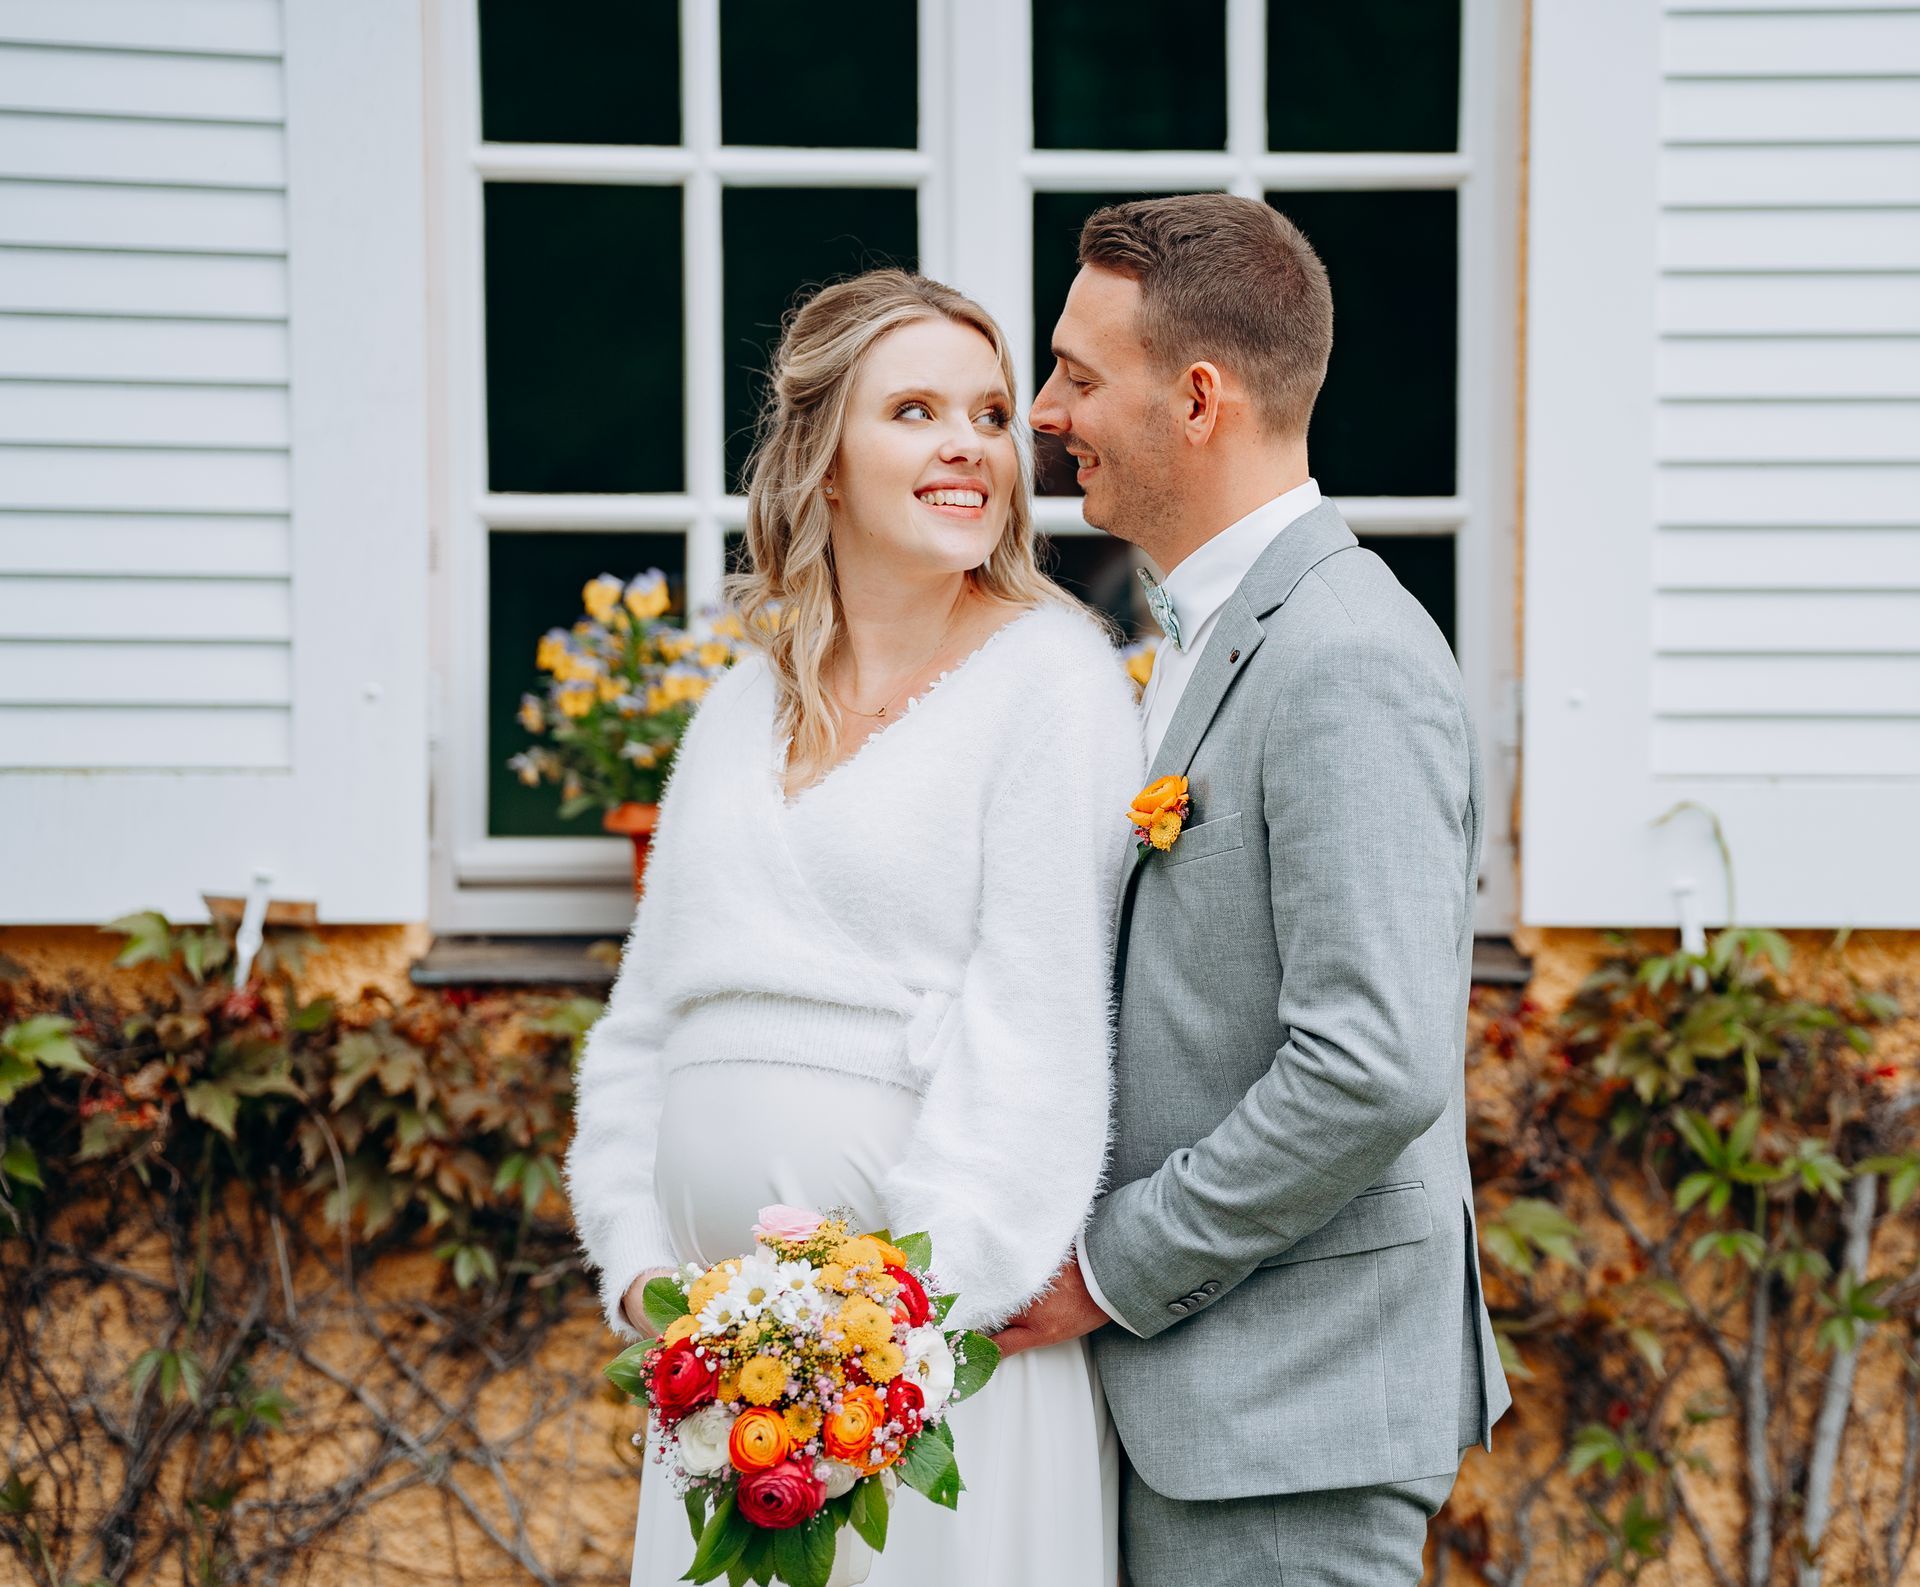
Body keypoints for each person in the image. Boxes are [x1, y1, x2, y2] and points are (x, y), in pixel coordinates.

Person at [563, 269, 1136, 1586]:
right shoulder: (738, 707)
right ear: (822, 460)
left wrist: (899, 1321)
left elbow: (1040, 1024)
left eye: (991, 415)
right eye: (916, 410)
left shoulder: (1052, 681)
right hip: (725, 1380)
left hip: (923, 1365)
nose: (969, 445)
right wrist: (644, 1275)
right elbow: (644, 1023)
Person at [994, 193, 1513, 1587]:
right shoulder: (1203, 629)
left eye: (1077, 375)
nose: (1045, 413)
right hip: (1211, 1410)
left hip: (1288, 1423)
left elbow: (1371, 1065)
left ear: (1199, 399)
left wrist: (1108, 1268)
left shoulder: (1347, 658)